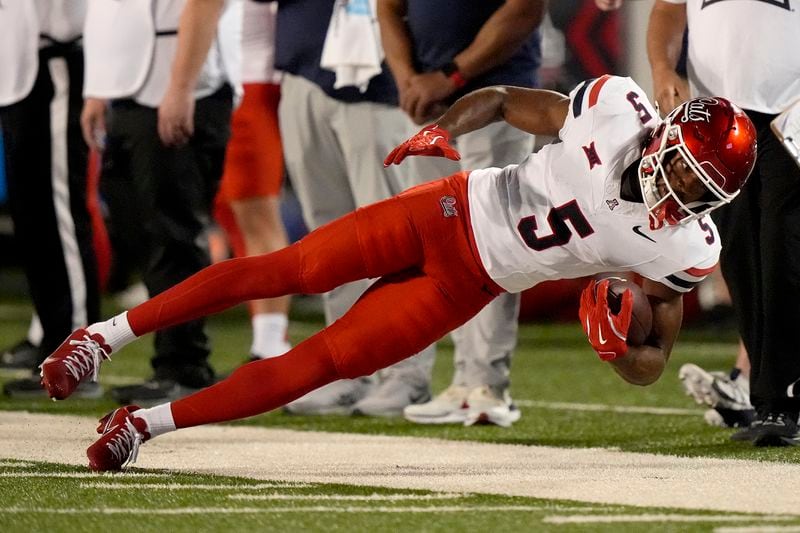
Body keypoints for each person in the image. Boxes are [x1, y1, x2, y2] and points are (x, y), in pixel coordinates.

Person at [39, 75, 757, 472]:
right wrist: (450, 124)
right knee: (293, 267)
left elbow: (654, 361)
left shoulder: (684, 246)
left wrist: (619, 351)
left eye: (703, 193)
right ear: (665, 136)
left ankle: (143, 425)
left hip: (471, 285)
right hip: (445, 211)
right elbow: (509, 99)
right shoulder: (615, 110)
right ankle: (102, 335)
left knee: (323, 362)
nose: (684, 196)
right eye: (687, 176)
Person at [377, 0, 546, 426]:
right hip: (429, 104)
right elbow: (388, 8)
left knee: (492, 238)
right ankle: (462, 380)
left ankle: (489, 383)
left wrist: (450, 75)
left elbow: (525, 9)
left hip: (497, 99)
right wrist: (407, 80)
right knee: (442, 242)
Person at [648, 0, 800, 447]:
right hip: (721, 123)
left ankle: (786, 400)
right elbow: (668, 9)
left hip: (791, 110)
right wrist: (662, 68)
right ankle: (768, 397)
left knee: (784, 248)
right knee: (738, 255)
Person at [78, 0, 242, 405]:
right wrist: (100, 87)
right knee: (141, 230)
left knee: (174, 235)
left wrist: (183, 87)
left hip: (181, 86)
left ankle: (185, 365)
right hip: (132, 89)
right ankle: (174, 359)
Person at [0, 0, 102, 398]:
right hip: (18, 68)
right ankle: (50, 340)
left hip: (53, 60)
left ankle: (79, 358)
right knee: (32, 220)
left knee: (59, 216)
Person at [213, 0, 291, 360]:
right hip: (229, 77)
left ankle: (272, 342)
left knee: (256, 211)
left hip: (253, 80)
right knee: (233, 213)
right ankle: (266, 338)